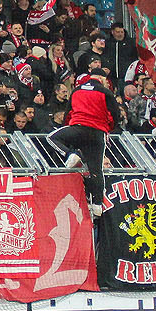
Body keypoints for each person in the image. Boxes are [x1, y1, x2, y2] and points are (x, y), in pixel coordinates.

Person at [47, 64, 122, 215]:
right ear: (102, 78)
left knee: (52, 138)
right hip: (97, 132)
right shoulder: (105, 92)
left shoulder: (76, 90)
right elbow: (116, 115)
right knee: (96, 170)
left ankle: (70, 154)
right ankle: (97, 204)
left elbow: (68, 114)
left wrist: (69, 131)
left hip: (78, 128)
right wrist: (108, 128)